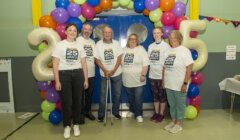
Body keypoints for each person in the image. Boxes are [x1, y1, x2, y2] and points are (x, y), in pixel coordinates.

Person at [52, 23, 88, 139]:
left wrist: (86, 79)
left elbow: (83, 63)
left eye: (75, 30)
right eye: (70, 30)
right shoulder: (59, 45)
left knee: (78, 101)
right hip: (64, 75)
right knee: (66, 102)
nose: (73, 32)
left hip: (78, 74)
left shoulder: (80, 45)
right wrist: (57, 81)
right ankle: (67, 126)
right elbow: (55, 64)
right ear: (66, 32)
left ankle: (76, 124)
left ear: (77, 33)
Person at [162, 30, 193, 134]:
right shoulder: (167, 51)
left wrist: (185, 83)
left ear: (179, 38)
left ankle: (179, 124)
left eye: (174, 37)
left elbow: (189, 67)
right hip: (169, 83)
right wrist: (163, 81)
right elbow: (164, 68)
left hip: (180, 84)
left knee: (180, 104)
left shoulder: (184, 51)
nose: (171, 39)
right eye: (170, 37)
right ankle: (174, 121)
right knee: (172, 104)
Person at [94, 26, 123, 122]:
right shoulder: (98, 44)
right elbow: (97, 59)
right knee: (103, 95)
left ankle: (115, 112)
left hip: (117, 73)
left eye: (109, 32)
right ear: (103, 34)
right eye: (105, 32)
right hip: (104, 73)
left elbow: (119, 58)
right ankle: (101, 114)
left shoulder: (116, 44)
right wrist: (105, 70)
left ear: (112, 34)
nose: (107, 34)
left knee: (117, 94)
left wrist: (113, 70)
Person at [122, 34, 149, 123]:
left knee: (138, 98)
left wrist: (143, 75)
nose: (132, 40)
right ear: (128, 40)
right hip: (127, 79)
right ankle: (132, 110)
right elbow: (120, 63)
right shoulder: (124, 50)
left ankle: (139, 114)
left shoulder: (141, 49)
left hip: (139, 80)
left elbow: (145, 64)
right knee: (131, 98)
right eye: (130, 39)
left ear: (137, 40)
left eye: (134, 39)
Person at [148, 27, 171, 123]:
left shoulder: (166, 46)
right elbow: (148, 60)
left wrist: (164, 76)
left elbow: (167, 62)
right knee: (155, 96)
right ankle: (156, 113)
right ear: (153, 35)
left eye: (158, 33)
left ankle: (161, 114)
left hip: (162, 76)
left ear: (162, 34)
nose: (156, 35)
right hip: (152, 75)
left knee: (162, 97)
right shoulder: (150, 46)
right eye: (154, 33)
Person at [77, 23, 96, 123]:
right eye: (85, 29)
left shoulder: (93, 42)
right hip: (80, 73)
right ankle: (80, 115)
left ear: (91, 31)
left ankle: (88, 112)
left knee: (89, 95)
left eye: (89, 29)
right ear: (82, 30)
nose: (87, 31)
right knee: (80, 96)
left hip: (91, 73)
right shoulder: (77, 40)